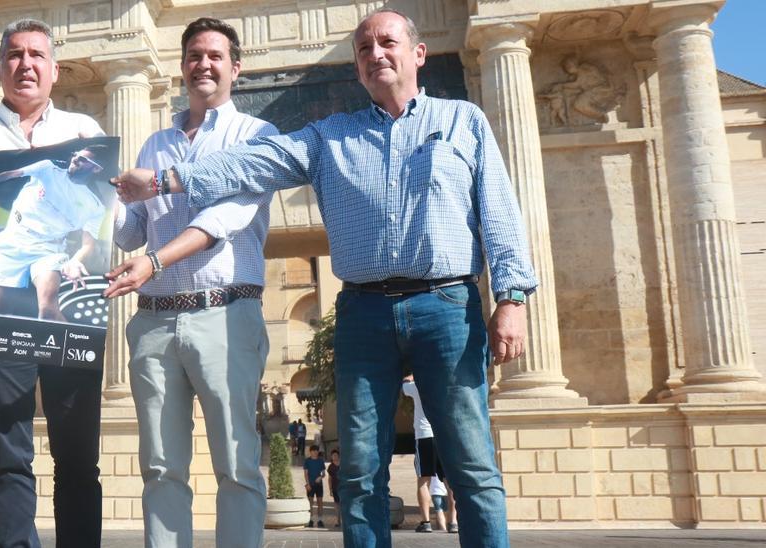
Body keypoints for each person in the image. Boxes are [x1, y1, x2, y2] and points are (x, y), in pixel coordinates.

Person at [110, 8, 534, 548]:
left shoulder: (464, 121)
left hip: (445, 304)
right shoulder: (328, 136)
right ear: (355, 67)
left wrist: (513, 297)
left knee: (472, 465)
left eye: (387, 43)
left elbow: (499, 214)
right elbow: (248, 165)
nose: (375, 54)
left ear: (418, 54)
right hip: (363, 314)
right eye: (363, 48)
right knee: (358, 473)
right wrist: (169, 179)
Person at [99, 17, 277, 548]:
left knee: (238, 463)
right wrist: (90, 194)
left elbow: (224, 221)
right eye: (194, 55)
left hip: (225, 313)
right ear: (181, 67)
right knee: (159, 466)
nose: (203, 64)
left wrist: (153, 261)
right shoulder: (154, 143)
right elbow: (132, 232)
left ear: (235, 68)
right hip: (153, 322)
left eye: (215, 56)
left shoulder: (256, 136)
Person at [0, 17, 104, 547]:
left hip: (69, 307)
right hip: (1, 307)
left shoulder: (86, 135)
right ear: (1, 67)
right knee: (8, 454)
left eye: (36, 55)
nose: (25, 64)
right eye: (14, 55)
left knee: (78, 454)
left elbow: (100, 222)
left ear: (54, 70)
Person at [0, 145, 110, 321]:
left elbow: (88, 244)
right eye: (76, 154)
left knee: (47, 310)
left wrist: (76, 261)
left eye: (84, 159)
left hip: (48, 251)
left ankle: (68, 346)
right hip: (14, 243)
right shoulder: (47, 168)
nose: (76, 159)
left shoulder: (95, 206)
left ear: (97, 168)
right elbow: (12, 174)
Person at [403, 374, 456, 534]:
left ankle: (426, 522)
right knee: (450, 481)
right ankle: (453, 522)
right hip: (444, 434)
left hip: (424, 435)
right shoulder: (445, 383)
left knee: (423, 481)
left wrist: (410, 376)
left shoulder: (417, 385)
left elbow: (404, 387)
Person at [303, 445, 326, 528]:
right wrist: (308, 484)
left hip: (319, 485)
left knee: (320, 503)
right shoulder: (307, 461)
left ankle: (320, 520)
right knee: (310, 503)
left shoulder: (321, 461)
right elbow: (306, 474)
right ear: (310, 451)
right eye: (313, 450)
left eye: (317, 450)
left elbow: (324, 474)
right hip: (310, 485)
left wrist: (320, 477)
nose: (315, 452)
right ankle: (311, 520)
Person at [327, 449, 342, 528]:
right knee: (337, 505)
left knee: (344, 504)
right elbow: (329, 479)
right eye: (333, 456)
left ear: (339, 456)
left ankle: (344, 521)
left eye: (336, 455)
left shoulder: (343, 464)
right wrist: (330, 489)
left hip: (343, 488)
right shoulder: (330, 466)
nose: (334, 457)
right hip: (335, 488)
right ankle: (338, 521)